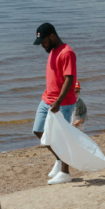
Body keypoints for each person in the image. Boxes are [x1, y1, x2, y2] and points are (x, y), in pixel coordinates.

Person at [32, 23, 78, 185]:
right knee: (38, 130)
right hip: (46, 99)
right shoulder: (52, 50)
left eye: (43, 42)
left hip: (63, 103)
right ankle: (59, 159)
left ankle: (65, 173)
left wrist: (58, 101)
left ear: (52, 36)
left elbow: (69, 79)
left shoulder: (67, 53)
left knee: (63, 137)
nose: (42, 45)